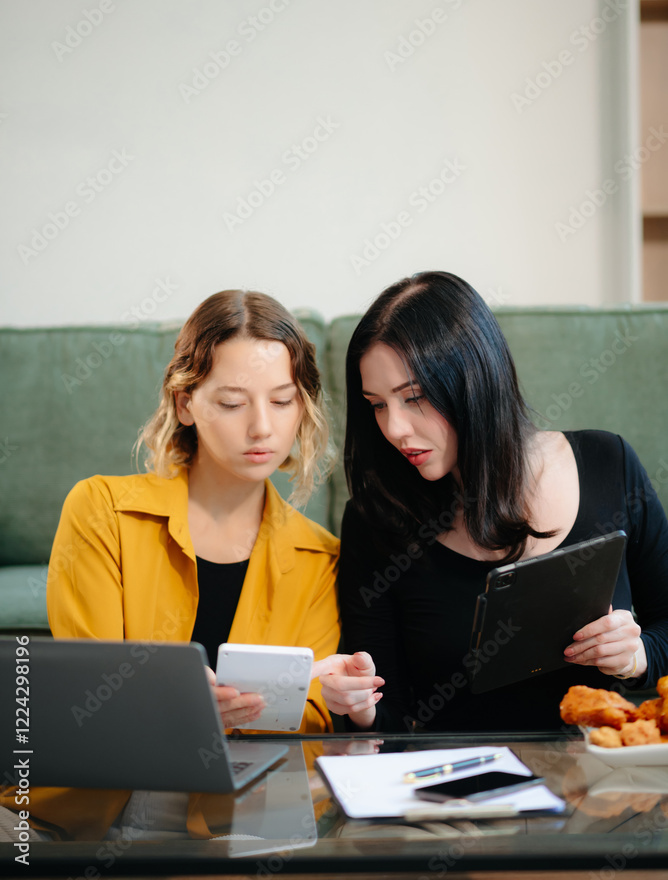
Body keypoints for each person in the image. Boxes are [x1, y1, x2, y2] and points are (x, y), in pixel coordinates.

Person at [319, 271, 668, 732]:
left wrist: (638, 656)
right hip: (451, 791)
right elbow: (388, 709)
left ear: (475, 381)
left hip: (601, 784)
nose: (395, 429)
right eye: (378, 404)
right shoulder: (377, 518)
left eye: (414, 397)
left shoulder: (608, 464)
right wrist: (359, 707)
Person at [47, 290, 340, 732]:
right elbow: (87, 693)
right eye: (232, 403)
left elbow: (315, 719)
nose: (262, 427)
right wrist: (174, 707)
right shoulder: (101, 511)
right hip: (120, 782)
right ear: (185, 403)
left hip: (256, 787)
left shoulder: (320, 558)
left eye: (282, 401)